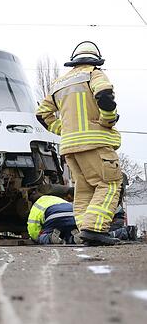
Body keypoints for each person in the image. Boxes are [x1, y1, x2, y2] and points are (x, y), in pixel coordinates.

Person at [36, 41, 122, 246]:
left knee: (84, 189)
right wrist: (107, 120)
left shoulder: (59, 83)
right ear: (96, 61)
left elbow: (42, 114)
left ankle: (86, 230)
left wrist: (61, 129)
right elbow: (104, 96)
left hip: (70, 147)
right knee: (109, 184)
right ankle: (95, 228)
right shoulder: (94, 74)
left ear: (74, 62)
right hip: (95, 142)